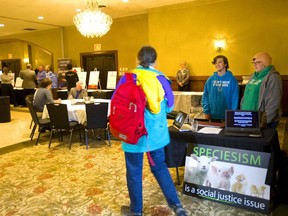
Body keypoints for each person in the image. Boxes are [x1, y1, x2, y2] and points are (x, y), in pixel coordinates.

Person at [118, 46, 187, 216]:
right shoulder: (162, 78)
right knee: (159, 167)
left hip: (134, 133)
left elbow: (118, 103)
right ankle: (177, 206)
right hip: (156, 134)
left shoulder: (127, 77)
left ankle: (136, 211)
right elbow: (170, 105)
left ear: (138, 59)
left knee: (134, 171)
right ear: (155, 60)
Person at [241, 52, 282, 128]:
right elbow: (246, 95)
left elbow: (273, 102)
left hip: (262, 121)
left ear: (265, 63)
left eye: (258, 62)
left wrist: (265, 122)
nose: (254, 65)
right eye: (253, 63)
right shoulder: (253, 76)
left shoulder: (273, 77)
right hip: (248, 117)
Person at [202, 55, 239, 121]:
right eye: (216, 63)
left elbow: (235, 99)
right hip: (212, 116)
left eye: (220, 62)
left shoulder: (232, 80)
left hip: (227, 116)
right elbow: (205, 96)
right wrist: (206, 111)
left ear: (225, 64)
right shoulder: (210, 79)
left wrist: (232, 114)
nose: (217, 64)